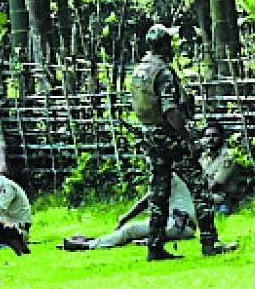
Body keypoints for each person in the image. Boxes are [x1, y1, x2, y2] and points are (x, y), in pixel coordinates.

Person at [129, 23, 235, 260]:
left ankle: (154, 247)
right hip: (170, 138)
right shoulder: (163, 71)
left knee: (158, 193)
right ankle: (210, 242)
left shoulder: (140, 69)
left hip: (151, 136)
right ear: (165, 45)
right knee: (200, 188)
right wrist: (188, 138)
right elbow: (170, 110)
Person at [62, 172, 195, 251]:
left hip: (180, 225)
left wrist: (125, 218)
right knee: (133, 231)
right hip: (177, 224)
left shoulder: (166, 175)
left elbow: (145, 201)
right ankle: (92, 240)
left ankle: (86, 245)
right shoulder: (166, 174)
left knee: (130, 229)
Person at [198, 122, 243, 214]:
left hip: (224, 199)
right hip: (208, 195)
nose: (210, 139)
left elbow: (215, 185)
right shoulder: (204, 157)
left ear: (222, 137)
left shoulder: (229, 157)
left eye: (214, 136)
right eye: (207, 136)